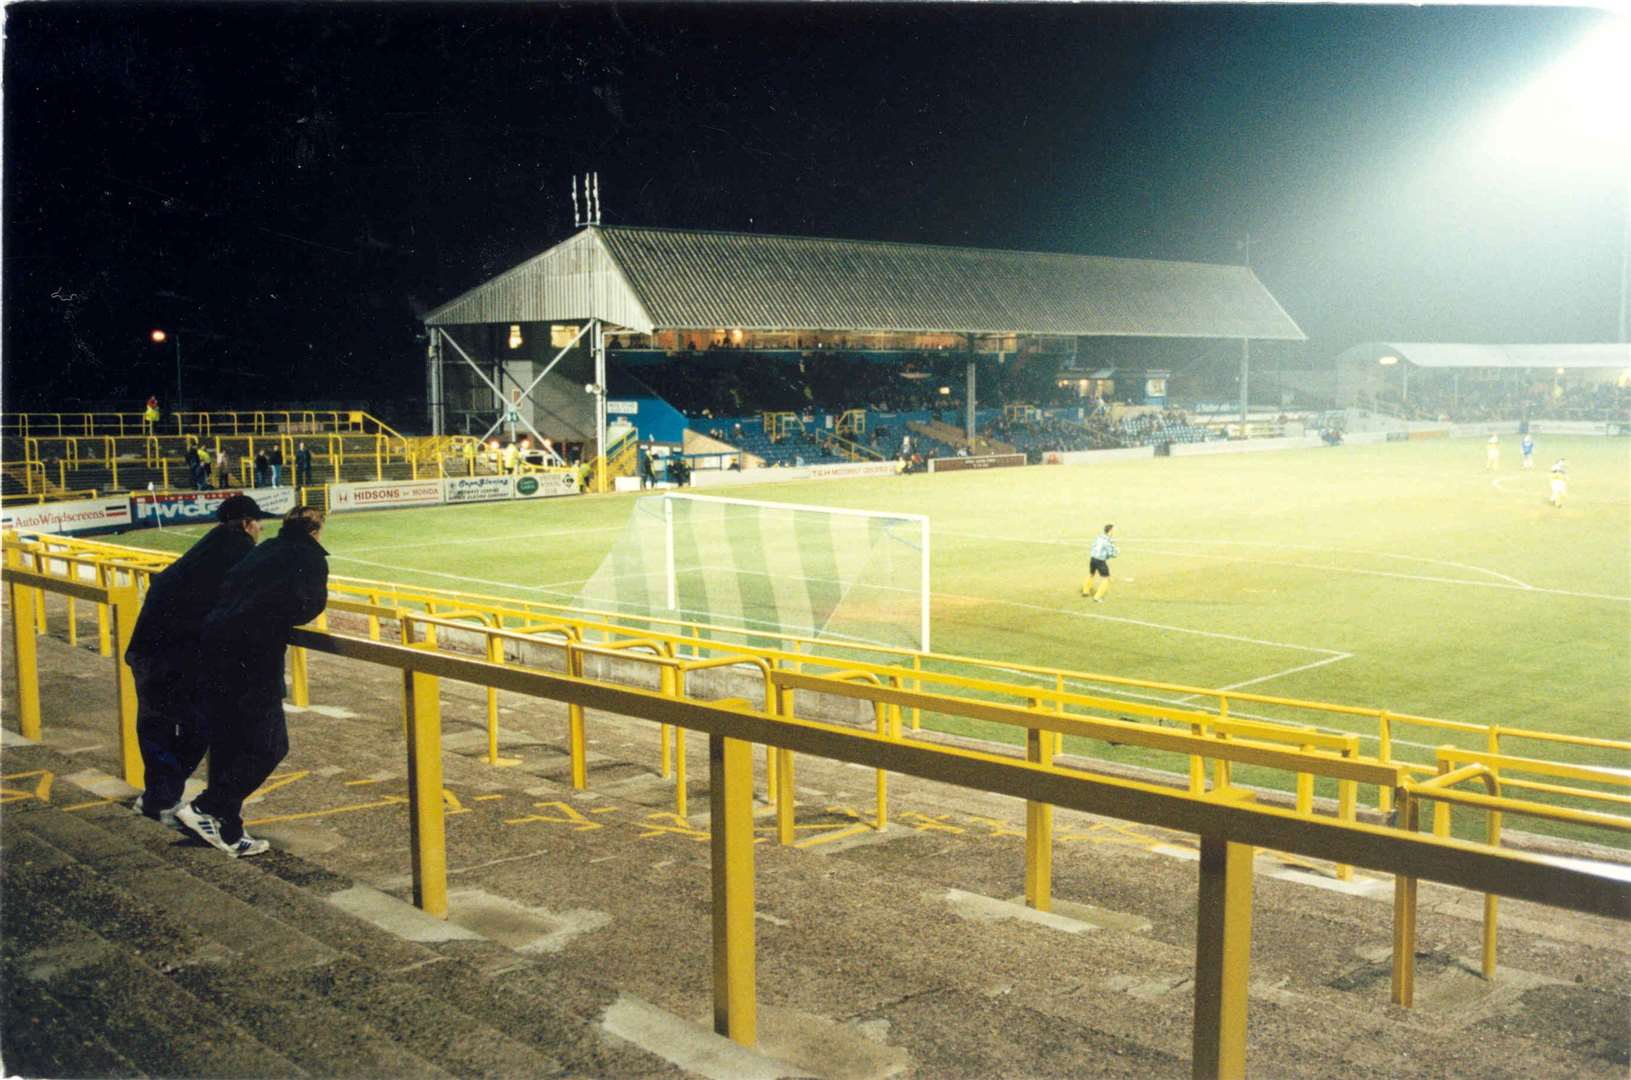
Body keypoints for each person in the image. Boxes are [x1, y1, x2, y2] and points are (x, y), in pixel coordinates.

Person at [178, 506, 330, 858]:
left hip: (213, 653)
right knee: (270, 746)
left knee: (230, 743)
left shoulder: (262, 550)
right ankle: (206, 808)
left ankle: (229, 831)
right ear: (315, 532)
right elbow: (308, 605)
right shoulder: (308, 556)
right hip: (251, 660)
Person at [125, 494, 279, 830]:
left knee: (157, 725)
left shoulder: (206, 547)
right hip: (172, 656)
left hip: (147, 649)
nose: (260, 530)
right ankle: (166, 799)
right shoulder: (238, 549)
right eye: (258, 525)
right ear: (246, 524)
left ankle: (157, 798)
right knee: (201, 726)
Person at [1083, 523, 1118, 603]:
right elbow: (1111, 553)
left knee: (1091, 574)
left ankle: (1085, 591)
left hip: (1093, 558)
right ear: (1110, 531)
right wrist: (1116, 552)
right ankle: (1097, 597)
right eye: (1113, 530)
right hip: (1100, 561)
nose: (1114, 532)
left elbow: (1093, 546)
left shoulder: (1098, 537)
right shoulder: (1107, 540)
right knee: (1106, 579)